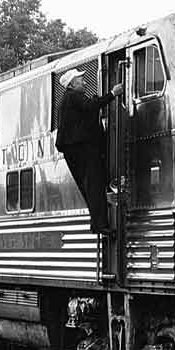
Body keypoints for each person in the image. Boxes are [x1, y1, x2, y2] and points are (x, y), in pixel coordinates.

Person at [55, 68, 124, 234]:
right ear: (72, 84)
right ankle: (100, 225)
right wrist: (112, 94)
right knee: (94, 184)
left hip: (74, 148)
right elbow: (90, 107)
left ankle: (97, 223)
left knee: (89, 186)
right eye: (80, 80)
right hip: (80, 148)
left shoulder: (68, 99)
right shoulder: (73, 97)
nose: (84, 82)